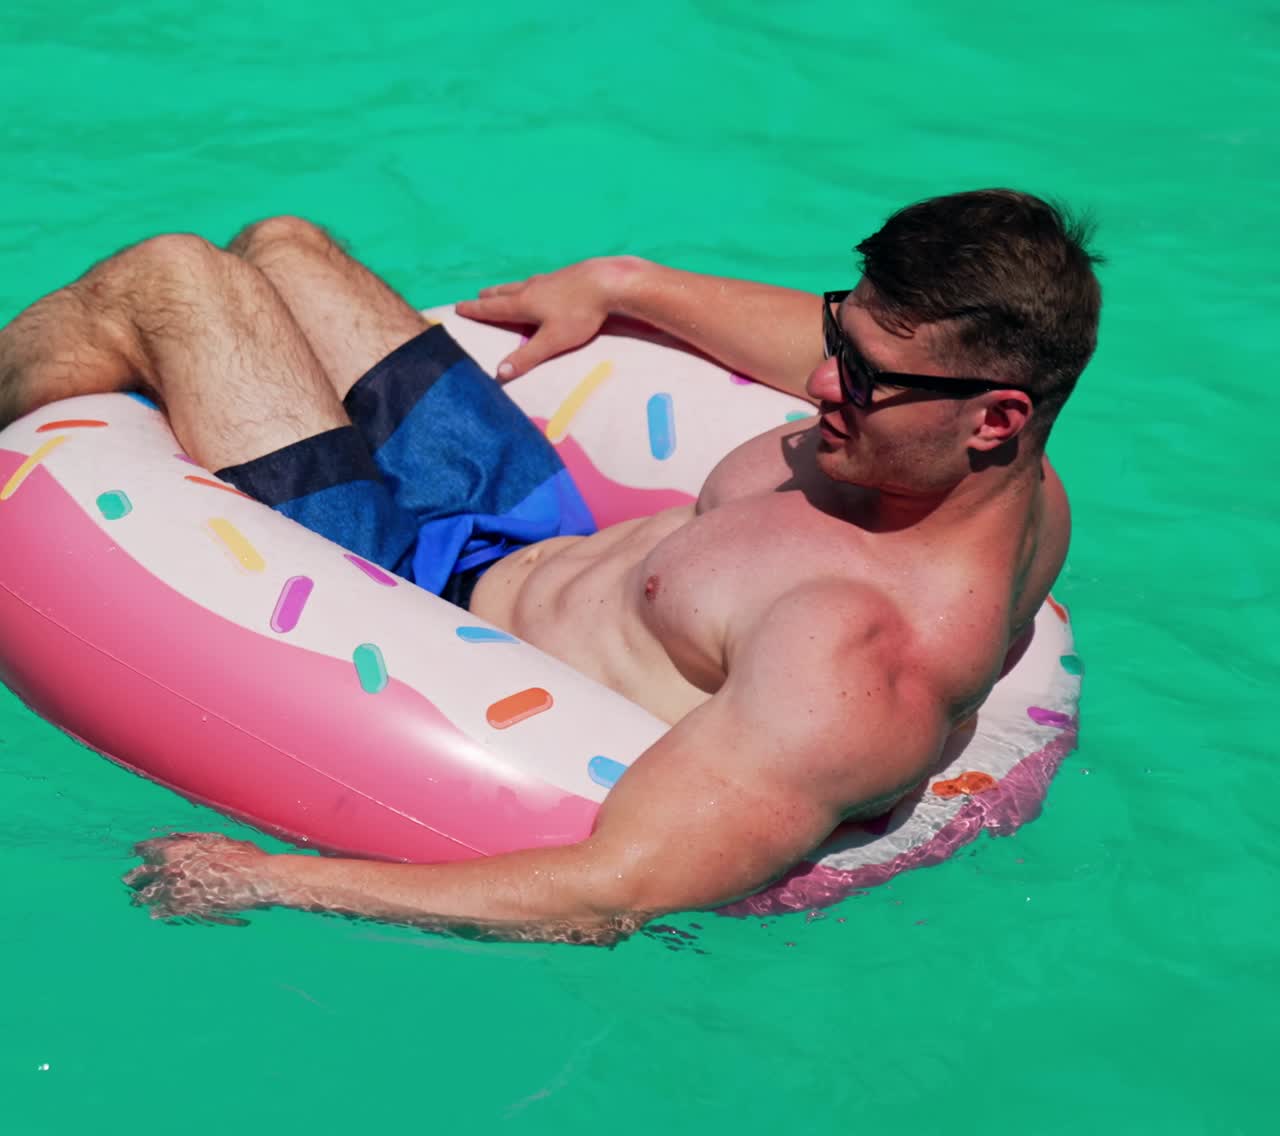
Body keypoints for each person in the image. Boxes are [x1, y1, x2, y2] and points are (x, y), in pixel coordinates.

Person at [0, 189, 1101, 942]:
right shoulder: (982, 460)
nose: (819, 381)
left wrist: (268, 878)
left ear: (997, 416)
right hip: (525, 519)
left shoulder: (855, 660)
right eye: (837, 339)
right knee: (283, 243)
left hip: (401, 591)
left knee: (170, 280)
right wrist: (629, 281)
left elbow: (612, 889)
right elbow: (851, 352)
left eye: (861, 376)